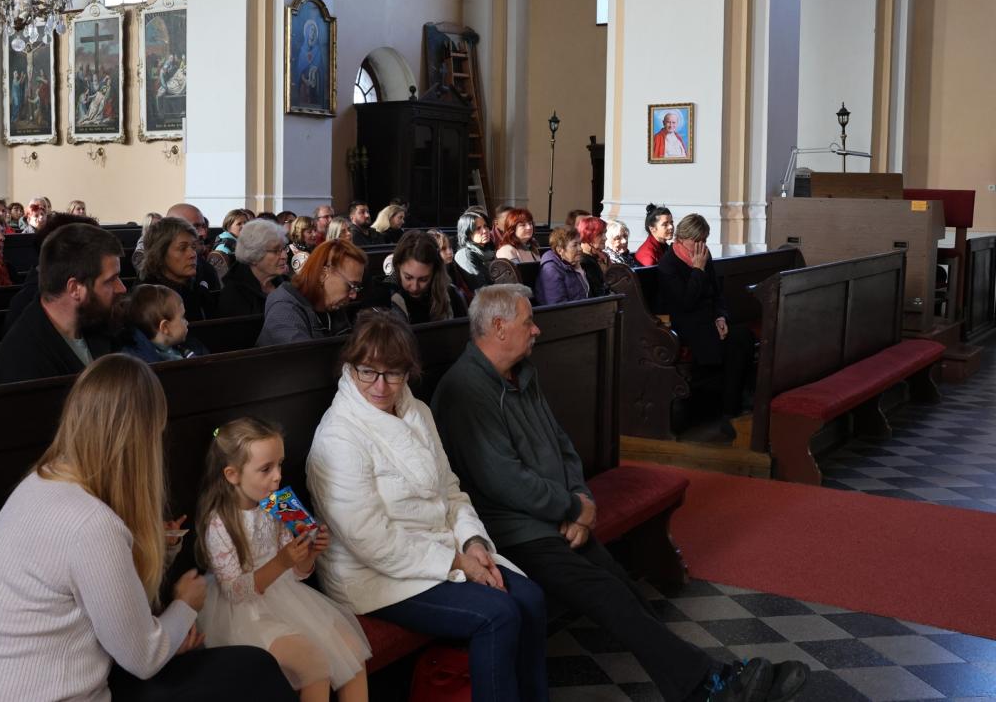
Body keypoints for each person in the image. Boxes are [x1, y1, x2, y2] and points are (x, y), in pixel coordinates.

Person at [432, 285, 808, 702]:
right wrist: (571, 507)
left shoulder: (521, 373)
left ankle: (701, 683)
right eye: (528, 321)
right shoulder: (464, 390)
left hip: (556, 518)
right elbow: (502, 479)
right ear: (499, 327)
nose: (536, 329)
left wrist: (581, 501)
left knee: (622, 587)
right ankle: (709, 685)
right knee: (608, 594)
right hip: (515, 532)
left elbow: (561, 444)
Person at [0, 354, 296, 702]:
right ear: (139, 441)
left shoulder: (40, 483)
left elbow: (107, 611)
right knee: (256, 669)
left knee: (248, 667)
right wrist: (185, 604)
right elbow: (144, 657)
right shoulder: (91, 524)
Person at [306, 310, 547, 702]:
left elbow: (449, 489)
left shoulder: (417, 411)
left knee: (531, 599)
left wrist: (473, 543)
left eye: (393, 373)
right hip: (373, 574)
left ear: (408, 372)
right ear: (350, 367)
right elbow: (369, 540)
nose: (380, 385)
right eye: (368, 372)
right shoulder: (339, 435)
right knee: (496, 615)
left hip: (442, 550)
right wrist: (456, 562)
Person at [197, 418, 370, 702]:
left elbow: (297, 573)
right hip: (244, 615)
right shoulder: (220, 523)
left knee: (352, 649)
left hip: (286, 598)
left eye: (280, 465)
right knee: (314, 663)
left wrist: (309, 555)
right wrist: (282, 561)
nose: (277, 476)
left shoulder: (279, 504)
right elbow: (234, 592)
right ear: (233, 474)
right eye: (266, 469)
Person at [0, 223, 126, 385]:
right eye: (111, 280)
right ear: (74, 288)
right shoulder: (22, 362)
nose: (122, 288)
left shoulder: (97, 321)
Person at [658, 214, 756, 434]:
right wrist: (697, 270)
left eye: (703, 240)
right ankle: (731, 410)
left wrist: (721, 317)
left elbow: (717, 294)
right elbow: (686, 303)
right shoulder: (668, 264)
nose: (700, 246)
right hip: (685, 325)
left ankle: (736, 407)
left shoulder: (704, 255)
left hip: (709, 320)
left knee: (744, 336)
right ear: (681, 238)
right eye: (696, 241)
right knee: (735, 344)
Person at [256, 240, 366, 347]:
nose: (354, 295)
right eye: (350, 286)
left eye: (356, 288)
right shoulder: (284, 310)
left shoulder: (332, 305)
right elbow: (303, 357)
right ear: (322, 275)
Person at [365, 231, 466, 324]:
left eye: (423, 279)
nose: (415, 287)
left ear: (435, 273)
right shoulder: (380, 297)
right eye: (408, 277)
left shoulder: (450, 294)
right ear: (398, 267)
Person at [140, 217, 218, 323]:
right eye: (182, 248)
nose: (193, 254)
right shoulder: (148, 300)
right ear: (159, 254)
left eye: (193, 247)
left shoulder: (199, 284)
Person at [119, 283, 207, 363]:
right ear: (165, 327)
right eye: (182, 317)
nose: (187, 322)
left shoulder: (179, 347)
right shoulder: (145, 361)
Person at [218, 219, 289, 318]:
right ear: (254, 255)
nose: (284, 256)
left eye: (284, 248)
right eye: (276, 251)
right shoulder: (234, 295)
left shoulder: (287, 285)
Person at [534, 226, 590, 306]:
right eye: (575, 245)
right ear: (560, 250)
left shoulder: (574, 263)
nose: (580, 249)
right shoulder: (551, 270)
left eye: (579, 244)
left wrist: (580, 272)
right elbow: (557, 305)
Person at [454, 210, 495, 293]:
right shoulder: (465, 254)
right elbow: (480, 289)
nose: (485, 231)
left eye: (485, 226)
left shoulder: (489, 251)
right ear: (467, 233)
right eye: (478, 228)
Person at [575, 216, 611, 297]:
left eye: (605, 233)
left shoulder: (599, 258)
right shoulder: (585, 262)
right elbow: (599, 295)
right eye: (600, 234)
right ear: (588, 235)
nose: (605, 238)